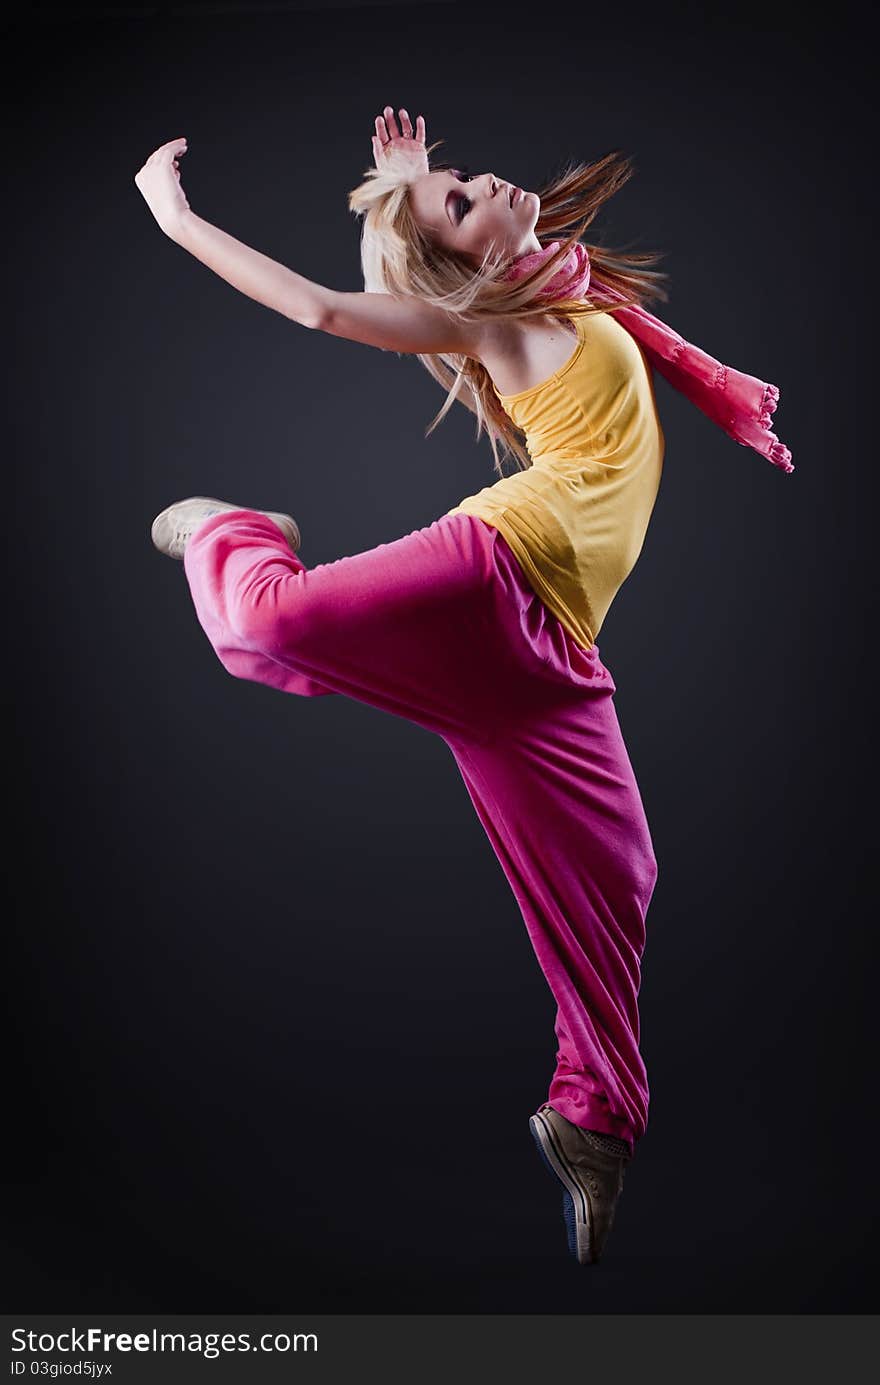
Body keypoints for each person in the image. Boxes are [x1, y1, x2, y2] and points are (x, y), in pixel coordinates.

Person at [134, 105, 791, 1266]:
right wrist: (177, 219)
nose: (489, 179)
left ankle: (590, 1119)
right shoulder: (492, 317)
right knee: (263, 622)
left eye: (471, 179)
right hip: (497, 566)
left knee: (617, 870)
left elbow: (434, 252)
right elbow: (325, 306)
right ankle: (232, 531)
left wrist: (407, 186)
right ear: (464, 260)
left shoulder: (564, 287)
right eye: (465, 194)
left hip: (554, 649)